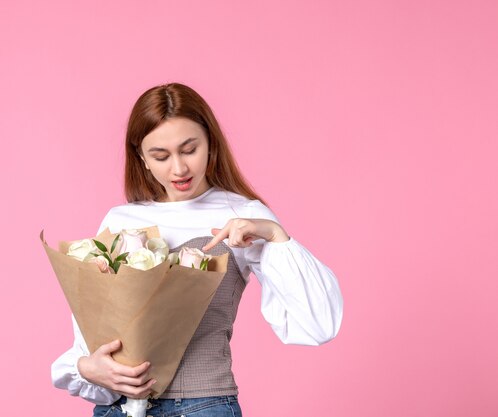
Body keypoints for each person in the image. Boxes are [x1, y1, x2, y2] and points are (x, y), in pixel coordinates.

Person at [51, 83, 343, 417]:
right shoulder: (120, 221)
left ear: (210, 144)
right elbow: (89, 339)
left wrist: (274, 234)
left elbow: (318, 325)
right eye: (160, 156)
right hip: (117, 410)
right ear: (142, 158)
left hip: (202, 406)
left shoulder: (241, 215)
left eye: (189, 149)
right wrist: (89, 368)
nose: (178, 169)